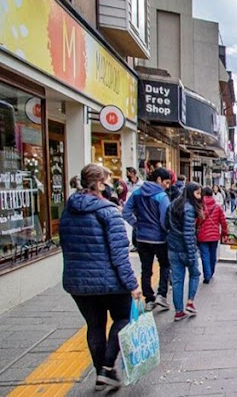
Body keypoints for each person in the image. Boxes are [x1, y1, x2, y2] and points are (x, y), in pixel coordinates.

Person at [60, 164, 141, 391]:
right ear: (97, 184)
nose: (109, 187)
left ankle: (101, 374)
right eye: (106, 182)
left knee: (94, 325)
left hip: (78, 283)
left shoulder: (68, 211)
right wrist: (132, 284)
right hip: (110, 282)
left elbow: (65, 245)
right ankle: (106, 368)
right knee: (122, 318)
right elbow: (119, 254)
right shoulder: (108, 211)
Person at [123, 167, 172, 312]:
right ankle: (161, 295)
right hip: (159, 238)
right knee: (164, 265)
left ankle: (149, 299)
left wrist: (136, 225)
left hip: (142, 238)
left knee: (146, 268)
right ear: (158, 180)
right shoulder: (161, 197)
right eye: (166, 182)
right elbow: (165, 219)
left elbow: (126, 212)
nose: (167, 186)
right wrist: (164, 230)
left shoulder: (137, 193)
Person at [166, 182, 202, 321]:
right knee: (195, 274)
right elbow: (188, 234)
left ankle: (178, 311)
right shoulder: (189, 209)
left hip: (173, 248)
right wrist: (191, 254)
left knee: (177, 280)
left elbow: (165, 224)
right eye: (197, 193)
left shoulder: (173, 204)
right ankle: (190, 303)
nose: (199, 197)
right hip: (185, 249)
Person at [197, 187, 228, 283]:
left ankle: (207, 276)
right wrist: (224, 233)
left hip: (202, 235)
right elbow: (223, 221)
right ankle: (211, 272)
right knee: (213, 254)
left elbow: (196, 221)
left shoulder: (200, 206)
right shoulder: (217, 207)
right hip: (214, 235)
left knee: (205, 255)